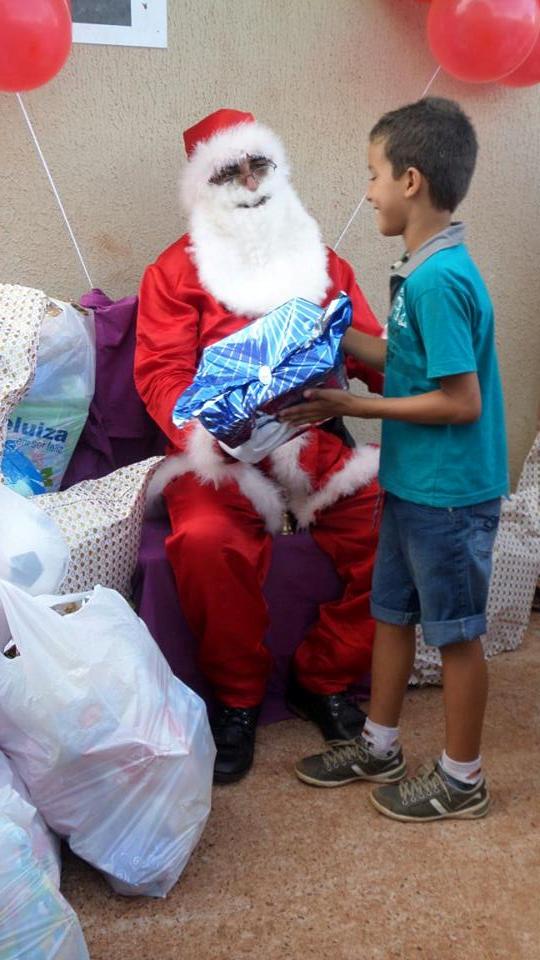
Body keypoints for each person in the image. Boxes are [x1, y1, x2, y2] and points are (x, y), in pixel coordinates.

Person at [135, 108, 385, 783]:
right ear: (202, 187)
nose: (248, 181)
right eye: (228, 170)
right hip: (216, 456)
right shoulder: (171, 273)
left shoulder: (324, 260)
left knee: (399, 521)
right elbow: (160, 374)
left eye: (259, 165)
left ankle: (324, 677)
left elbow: (376, 359)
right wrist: (212, 428)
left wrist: (399, 362)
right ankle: (237, 701)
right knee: (205, 541)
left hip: (316, 443)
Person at [282, 97, 509, 821]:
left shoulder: (442, 282)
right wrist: (334, 333)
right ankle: (379, 745)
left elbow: (459, 401)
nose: (366, 190)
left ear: (411, 180)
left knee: (457, 635)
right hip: (413, 482)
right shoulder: (421, 268)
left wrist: (356, 408)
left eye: (373, 174)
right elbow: (404, 361)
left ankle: (462, 778)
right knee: (391, 615)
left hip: (450, 492)